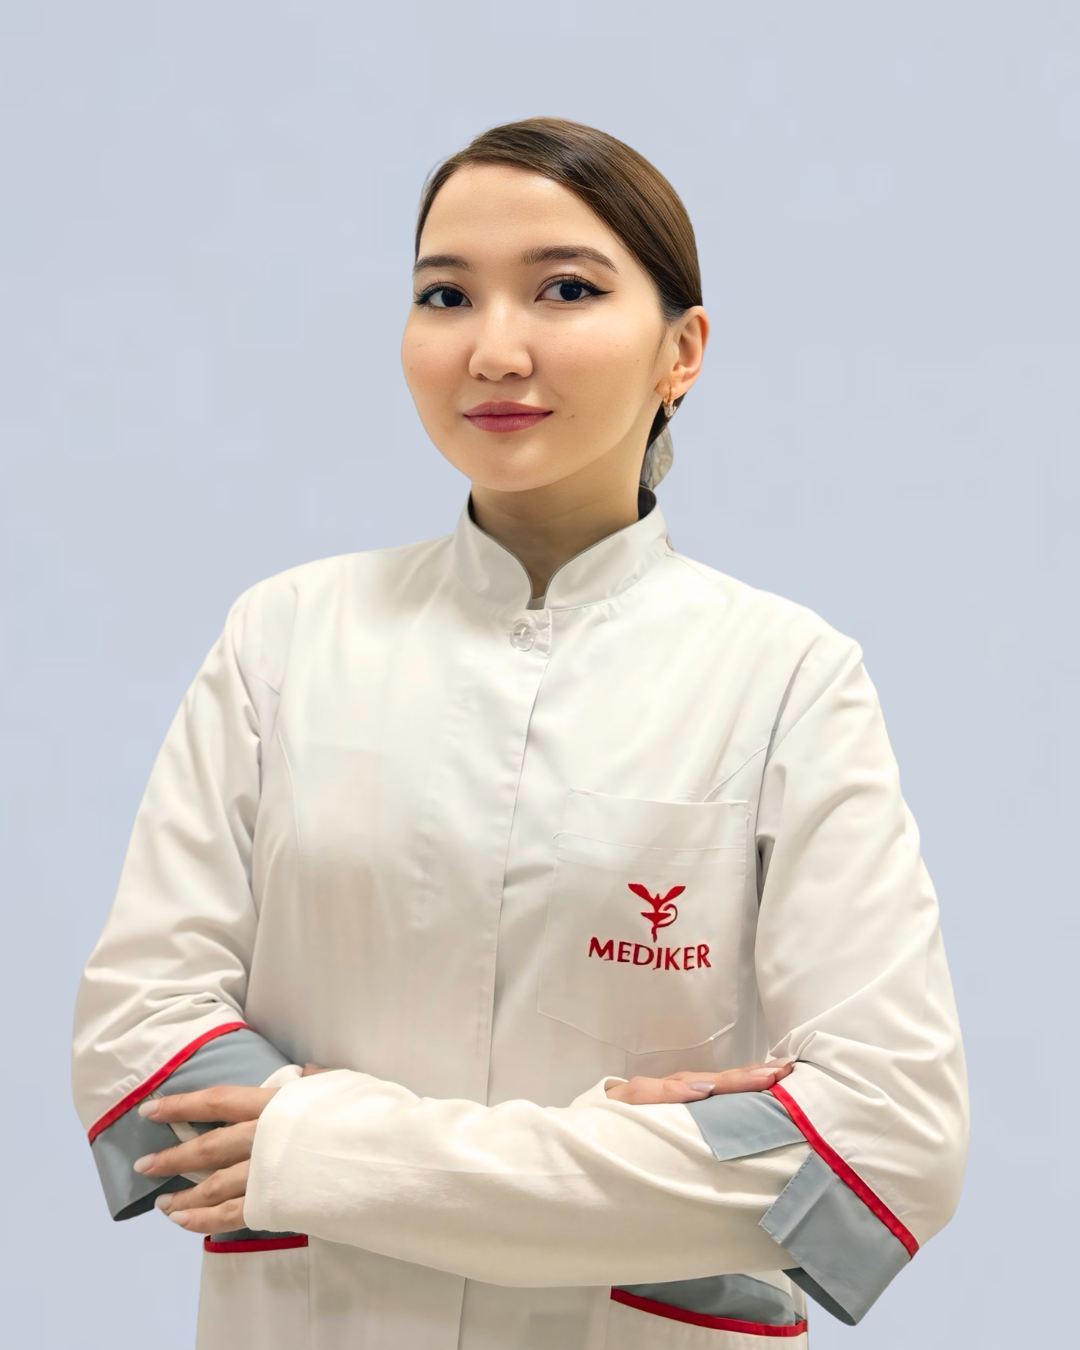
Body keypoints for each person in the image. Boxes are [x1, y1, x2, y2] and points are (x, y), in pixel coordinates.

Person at [72, 117, 969, 1349]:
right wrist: (652, 1171)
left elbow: (886, 1139)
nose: (494, 350)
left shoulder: (786, 677)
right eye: (446, 295)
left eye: (566, 289)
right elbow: (142, 1043)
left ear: (682, 352)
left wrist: (317, 1152)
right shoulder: (282, 638)